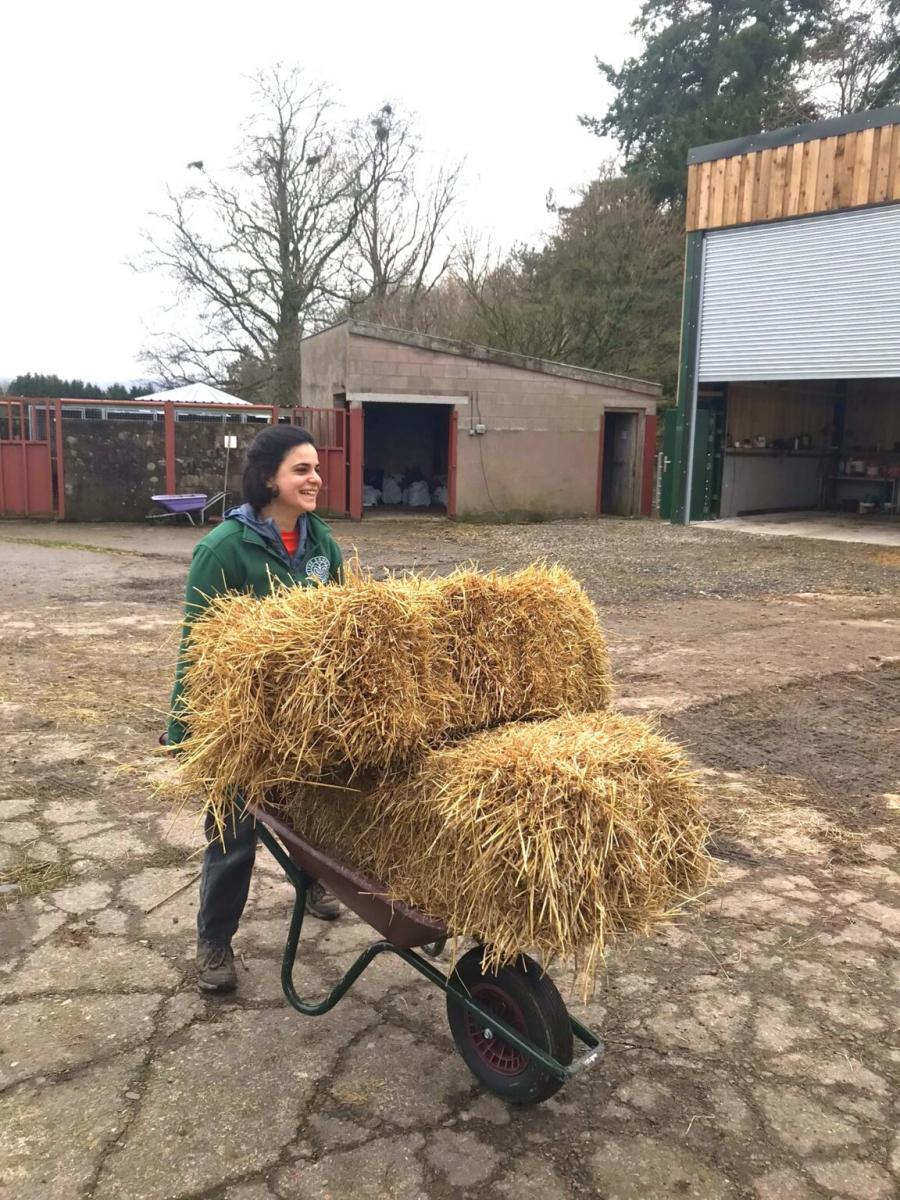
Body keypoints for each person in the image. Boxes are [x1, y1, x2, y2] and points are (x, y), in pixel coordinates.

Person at [167, 424, 344, 994]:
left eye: (316, 468)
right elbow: (195, 645)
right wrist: (183, 727)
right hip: (239, 722)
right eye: (302, 469)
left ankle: (312, 881)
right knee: (233, 834)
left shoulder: (322, 545)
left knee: (318, 812)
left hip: (305, 715)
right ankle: (214, 941)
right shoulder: (223, 549)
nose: (315, 478)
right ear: (269, 478)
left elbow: (343, 631)